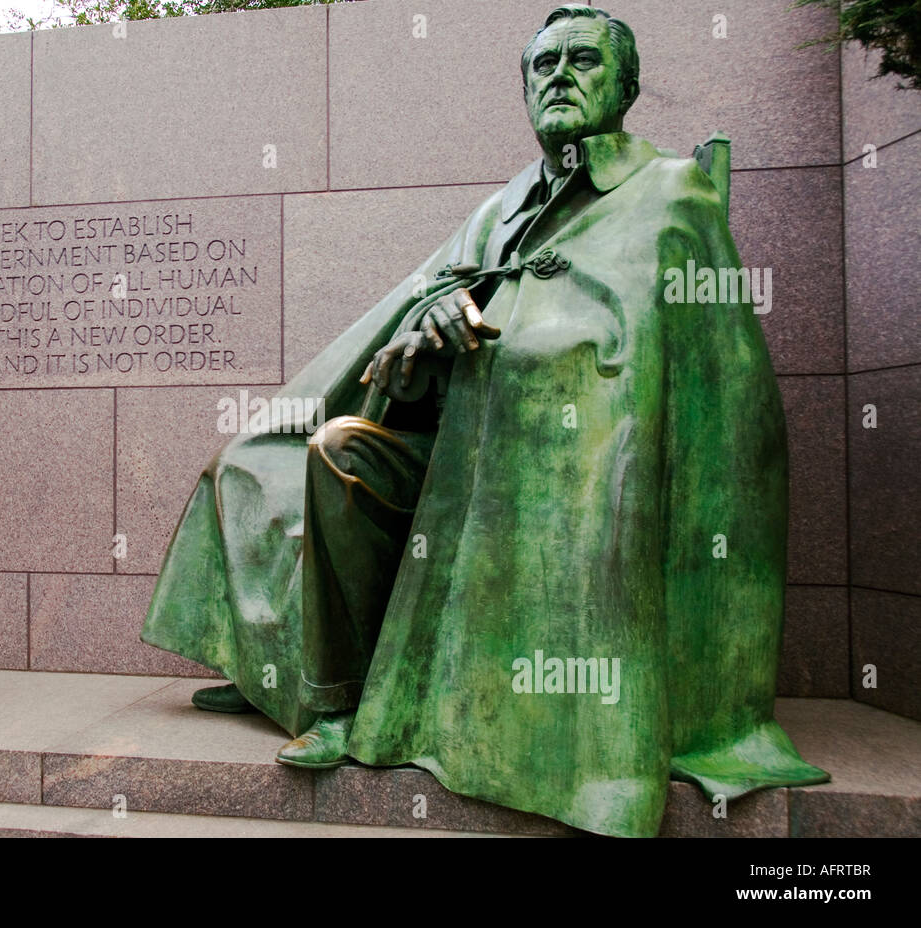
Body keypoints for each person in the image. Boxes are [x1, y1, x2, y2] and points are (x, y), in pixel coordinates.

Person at [141, 4, 829, 837]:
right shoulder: (503, 205)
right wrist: (424, 341)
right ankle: (320, 692)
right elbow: (419, 314)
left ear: (628, 85)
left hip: (566, 473)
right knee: (302, 452)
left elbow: (715, 400)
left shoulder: (671, 193)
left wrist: (520, 353)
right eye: (544, 66)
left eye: (582, 60)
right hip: (451, 460)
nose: (561, 77)